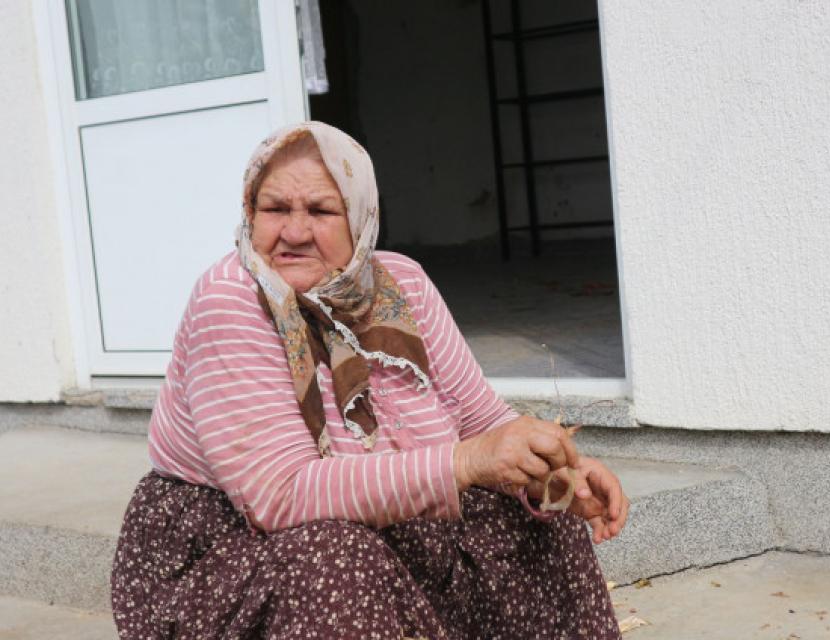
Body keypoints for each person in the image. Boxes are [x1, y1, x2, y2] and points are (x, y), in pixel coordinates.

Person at [111, 121, 629, 639]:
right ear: (250, 212)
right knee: (337, 558)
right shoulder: (229, 301)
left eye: (320, 211)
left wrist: (556, 469)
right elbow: (281, 495)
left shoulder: (401, 282)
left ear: (360, 219)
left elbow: (482, 421)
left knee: (533, 511)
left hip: (364, 524)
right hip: (230, 548)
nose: (294, 232)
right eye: (275, 209)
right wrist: (467, 461)